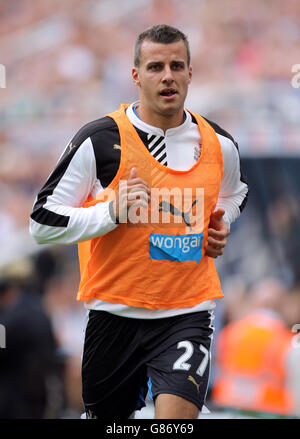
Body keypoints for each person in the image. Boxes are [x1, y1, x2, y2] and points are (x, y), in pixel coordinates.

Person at [29, 24, 248, 419]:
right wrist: (111, 213)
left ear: (189, 73)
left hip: (187, 313)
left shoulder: (220, 143)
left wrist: (223, 221)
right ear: (136, 75)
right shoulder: (99, 139)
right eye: (155, 67)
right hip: (115, 315)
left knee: (177, 420)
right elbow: (42, 223)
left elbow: (236, 194)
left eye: (177, 65)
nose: (168, 75)